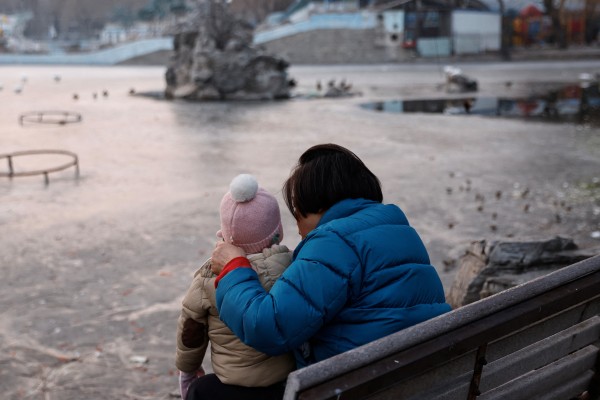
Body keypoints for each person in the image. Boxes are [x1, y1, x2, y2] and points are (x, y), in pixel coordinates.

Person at [197, 143, 452, 399]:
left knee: (205, 390)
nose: (296, 225)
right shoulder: (400, 230)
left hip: (355, 389)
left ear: (318, 203)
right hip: (420, 383)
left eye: (296, 210)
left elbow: (269, 326)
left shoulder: (333, 242)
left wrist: (233, 267)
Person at [176, 174, 295, 400]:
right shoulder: (293, 266)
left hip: (232, 386)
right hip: (285, 381)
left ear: (223, 235)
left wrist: (187, 371)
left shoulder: (208, 277)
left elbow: (191, 332)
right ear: (278, 231)